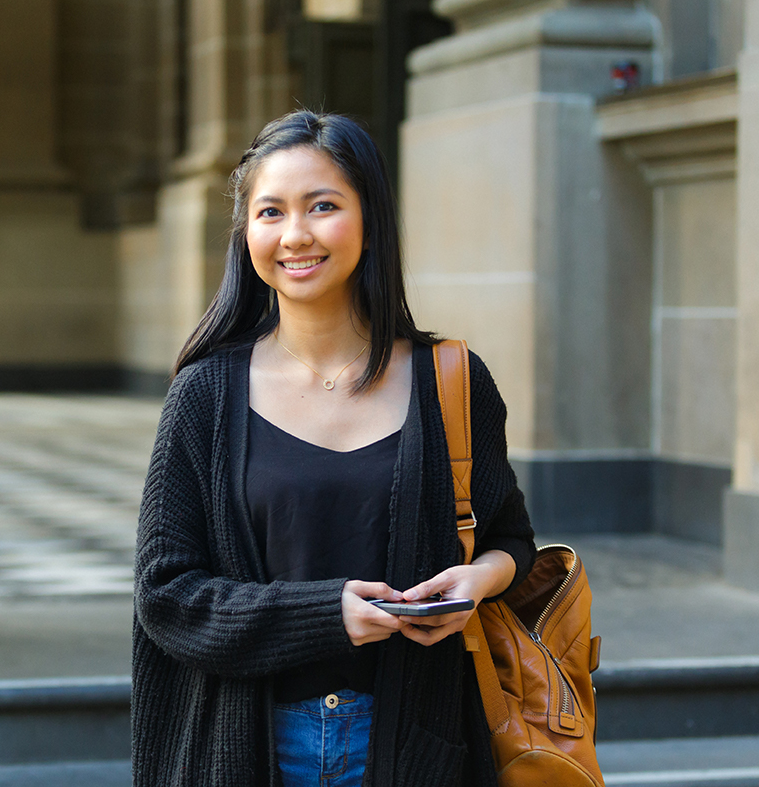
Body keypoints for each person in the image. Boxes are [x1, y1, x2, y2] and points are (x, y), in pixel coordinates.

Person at [132, 110, 536, 787]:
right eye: (270, 212)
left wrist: (479, 580)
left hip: (417, 743)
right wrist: (327, 615)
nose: (295, 235)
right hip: (250, 748)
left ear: (370, 222)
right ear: (247, 233)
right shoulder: (205, 395)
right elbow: (166, 595)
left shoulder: (452, 382)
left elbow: (511, 541)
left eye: (323, 206)